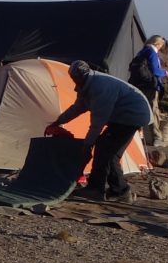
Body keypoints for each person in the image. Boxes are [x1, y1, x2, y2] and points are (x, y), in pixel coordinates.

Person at [53, 60, 153, 203]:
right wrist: (59, 121)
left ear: (83, 75)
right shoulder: (85, 86)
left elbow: (97, 123)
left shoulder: (100, 88)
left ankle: (103, 190)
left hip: (132, 115)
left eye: (78, 78)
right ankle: (114, 189)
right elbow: (78, 108)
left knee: (108, 151)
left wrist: (87, 145)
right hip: (124, 116)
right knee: (105, 149)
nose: (76, 81)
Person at [127, 35, 168, 118]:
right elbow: (155, 70)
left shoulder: (142, 51)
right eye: (161, 45)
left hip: (138, 83)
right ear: (157, 44)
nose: (160, 48)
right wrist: (165, 73)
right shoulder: (152, 53)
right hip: (150, 85)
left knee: (139, 107)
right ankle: (154, 131)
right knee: (152, 110)